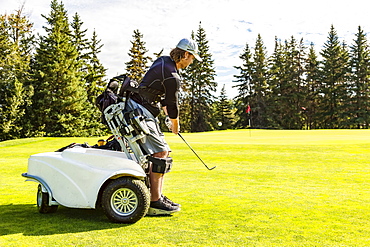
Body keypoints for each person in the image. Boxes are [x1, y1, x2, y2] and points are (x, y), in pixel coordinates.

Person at [125, 38, 202, 215]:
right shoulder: (173, 76)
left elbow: (162, 97)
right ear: (185, 54)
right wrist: (175, 124)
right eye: (191, 58)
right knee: (161, 153)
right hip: (140, 110)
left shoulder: (163, 61)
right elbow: (172, 105)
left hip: (141, 108)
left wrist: (168, 114)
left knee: (158, 153)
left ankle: (155, 195)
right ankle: (154, 201)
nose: (191, 62)